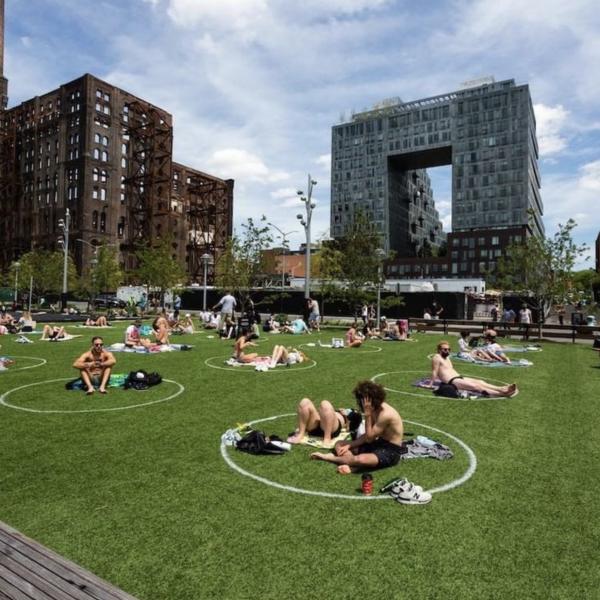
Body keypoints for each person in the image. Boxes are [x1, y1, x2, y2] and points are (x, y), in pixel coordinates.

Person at [310, 380, 405, 474]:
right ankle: (352, 465)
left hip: (391, 451)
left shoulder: (385, 414)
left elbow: (369, 438)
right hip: (378, 444)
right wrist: (350, 445)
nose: (362, 404)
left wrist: (367, 415)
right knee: (340, 444)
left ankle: (331, 458)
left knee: (360, 459)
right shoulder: (374, 408)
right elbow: (367, 435)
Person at [429, 341, 517, 397]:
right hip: (452, 381)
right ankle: (502, 393)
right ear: (439, 350)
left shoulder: (447, 358)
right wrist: (430, 384)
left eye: (449, 349)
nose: (447, 351)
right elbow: (434, 371)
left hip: (458, 378)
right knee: (476, 387)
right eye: (445, 349)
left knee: (480, 382)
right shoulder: (436, 357)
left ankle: (501, 388)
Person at [287, 398, 363, 448]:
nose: (345, 410)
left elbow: (351, 427)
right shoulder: (335, 412)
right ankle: (301, 434)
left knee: (325, 404)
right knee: (305, 402)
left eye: (348, 411)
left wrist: (345, 416)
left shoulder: (354, 415)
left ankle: (327, 438)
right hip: (318, 425)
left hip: (331, 429)